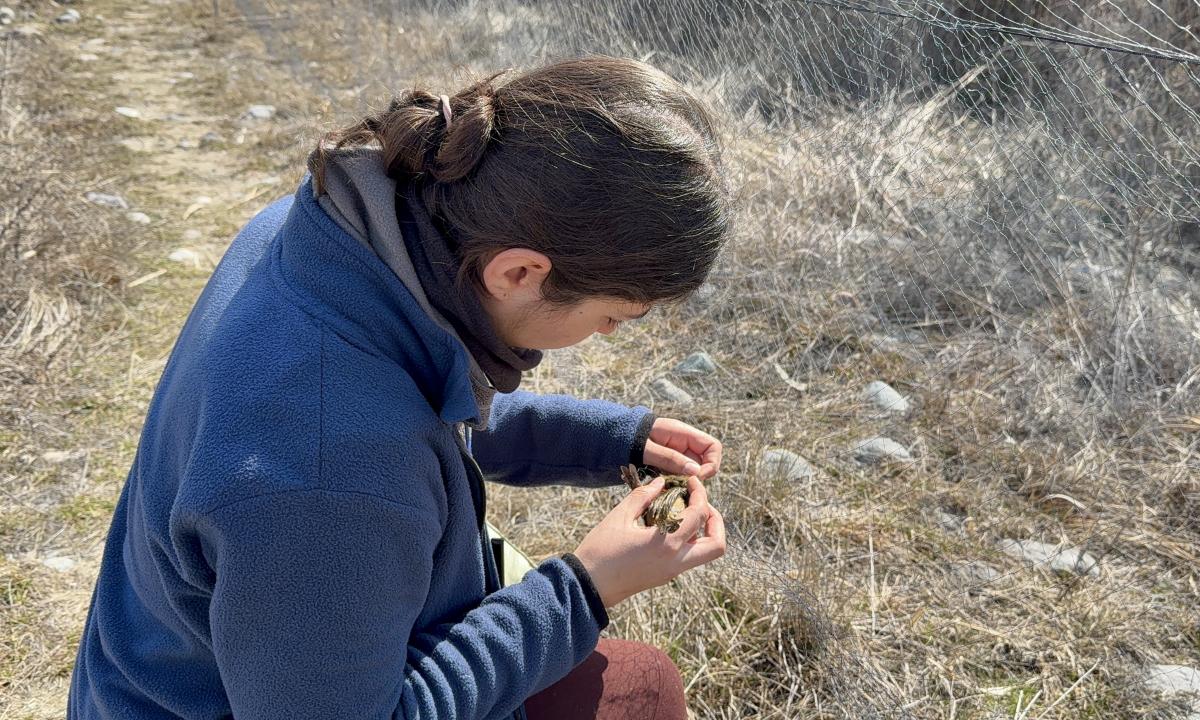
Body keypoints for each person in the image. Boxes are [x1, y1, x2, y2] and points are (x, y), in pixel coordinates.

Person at [67, 54, 733, 720]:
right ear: (519, 271)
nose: (611, 333)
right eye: (613, 314)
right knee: (640, 692)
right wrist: (586, 586)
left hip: (180, 679)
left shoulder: (335, 242)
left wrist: (611, 440)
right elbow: (355, 452)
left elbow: (408, 411)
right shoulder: (324, 475)